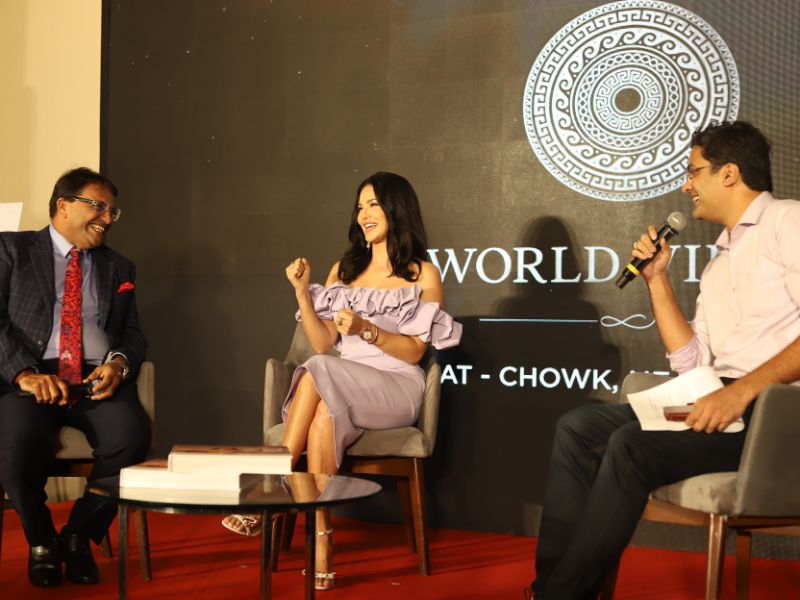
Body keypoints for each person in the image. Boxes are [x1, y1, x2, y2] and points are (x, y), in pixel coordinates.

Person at [527, 121, 800, 599]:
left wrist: (740, 392)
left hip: (776, 411)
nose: (686, 186)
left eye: (694, 172)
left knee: (631, 446)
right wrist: (657, 279)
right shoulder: (717, 264)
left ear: (729, 173)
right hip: (719, 400)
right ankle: (550, 586)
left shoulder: (788, 221)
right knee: (577, 427)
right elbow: (692, 364)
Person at [222, 171, 461, 590]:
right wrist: (302, 292)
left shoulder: (422, 274)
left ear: (397, 209)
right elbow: (321, 342)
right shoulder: (343, 271)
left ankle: (269, 486)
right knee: (321, 417)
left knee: (322, 369)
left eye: (374, 204)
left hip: (396, 388)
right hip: (341, 385)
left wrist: (368, 330)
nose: (364, 214)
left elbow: (415, 353)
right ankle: (322, 543)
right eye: (360, 206)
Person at [0, 167, 150, 587]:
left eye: (112, 211)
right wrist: (23, 373)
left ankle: (78, 537)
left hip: (94, 377)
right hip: (32, 377)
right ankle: (42, 542)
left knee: (132, 438)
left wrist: (118, 364)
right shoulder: (11, 250)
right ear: (63, 205)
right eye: (98, 206)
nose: (107, 218)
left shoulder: (119, 266)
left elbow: (133, 335)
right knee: (16, 447)